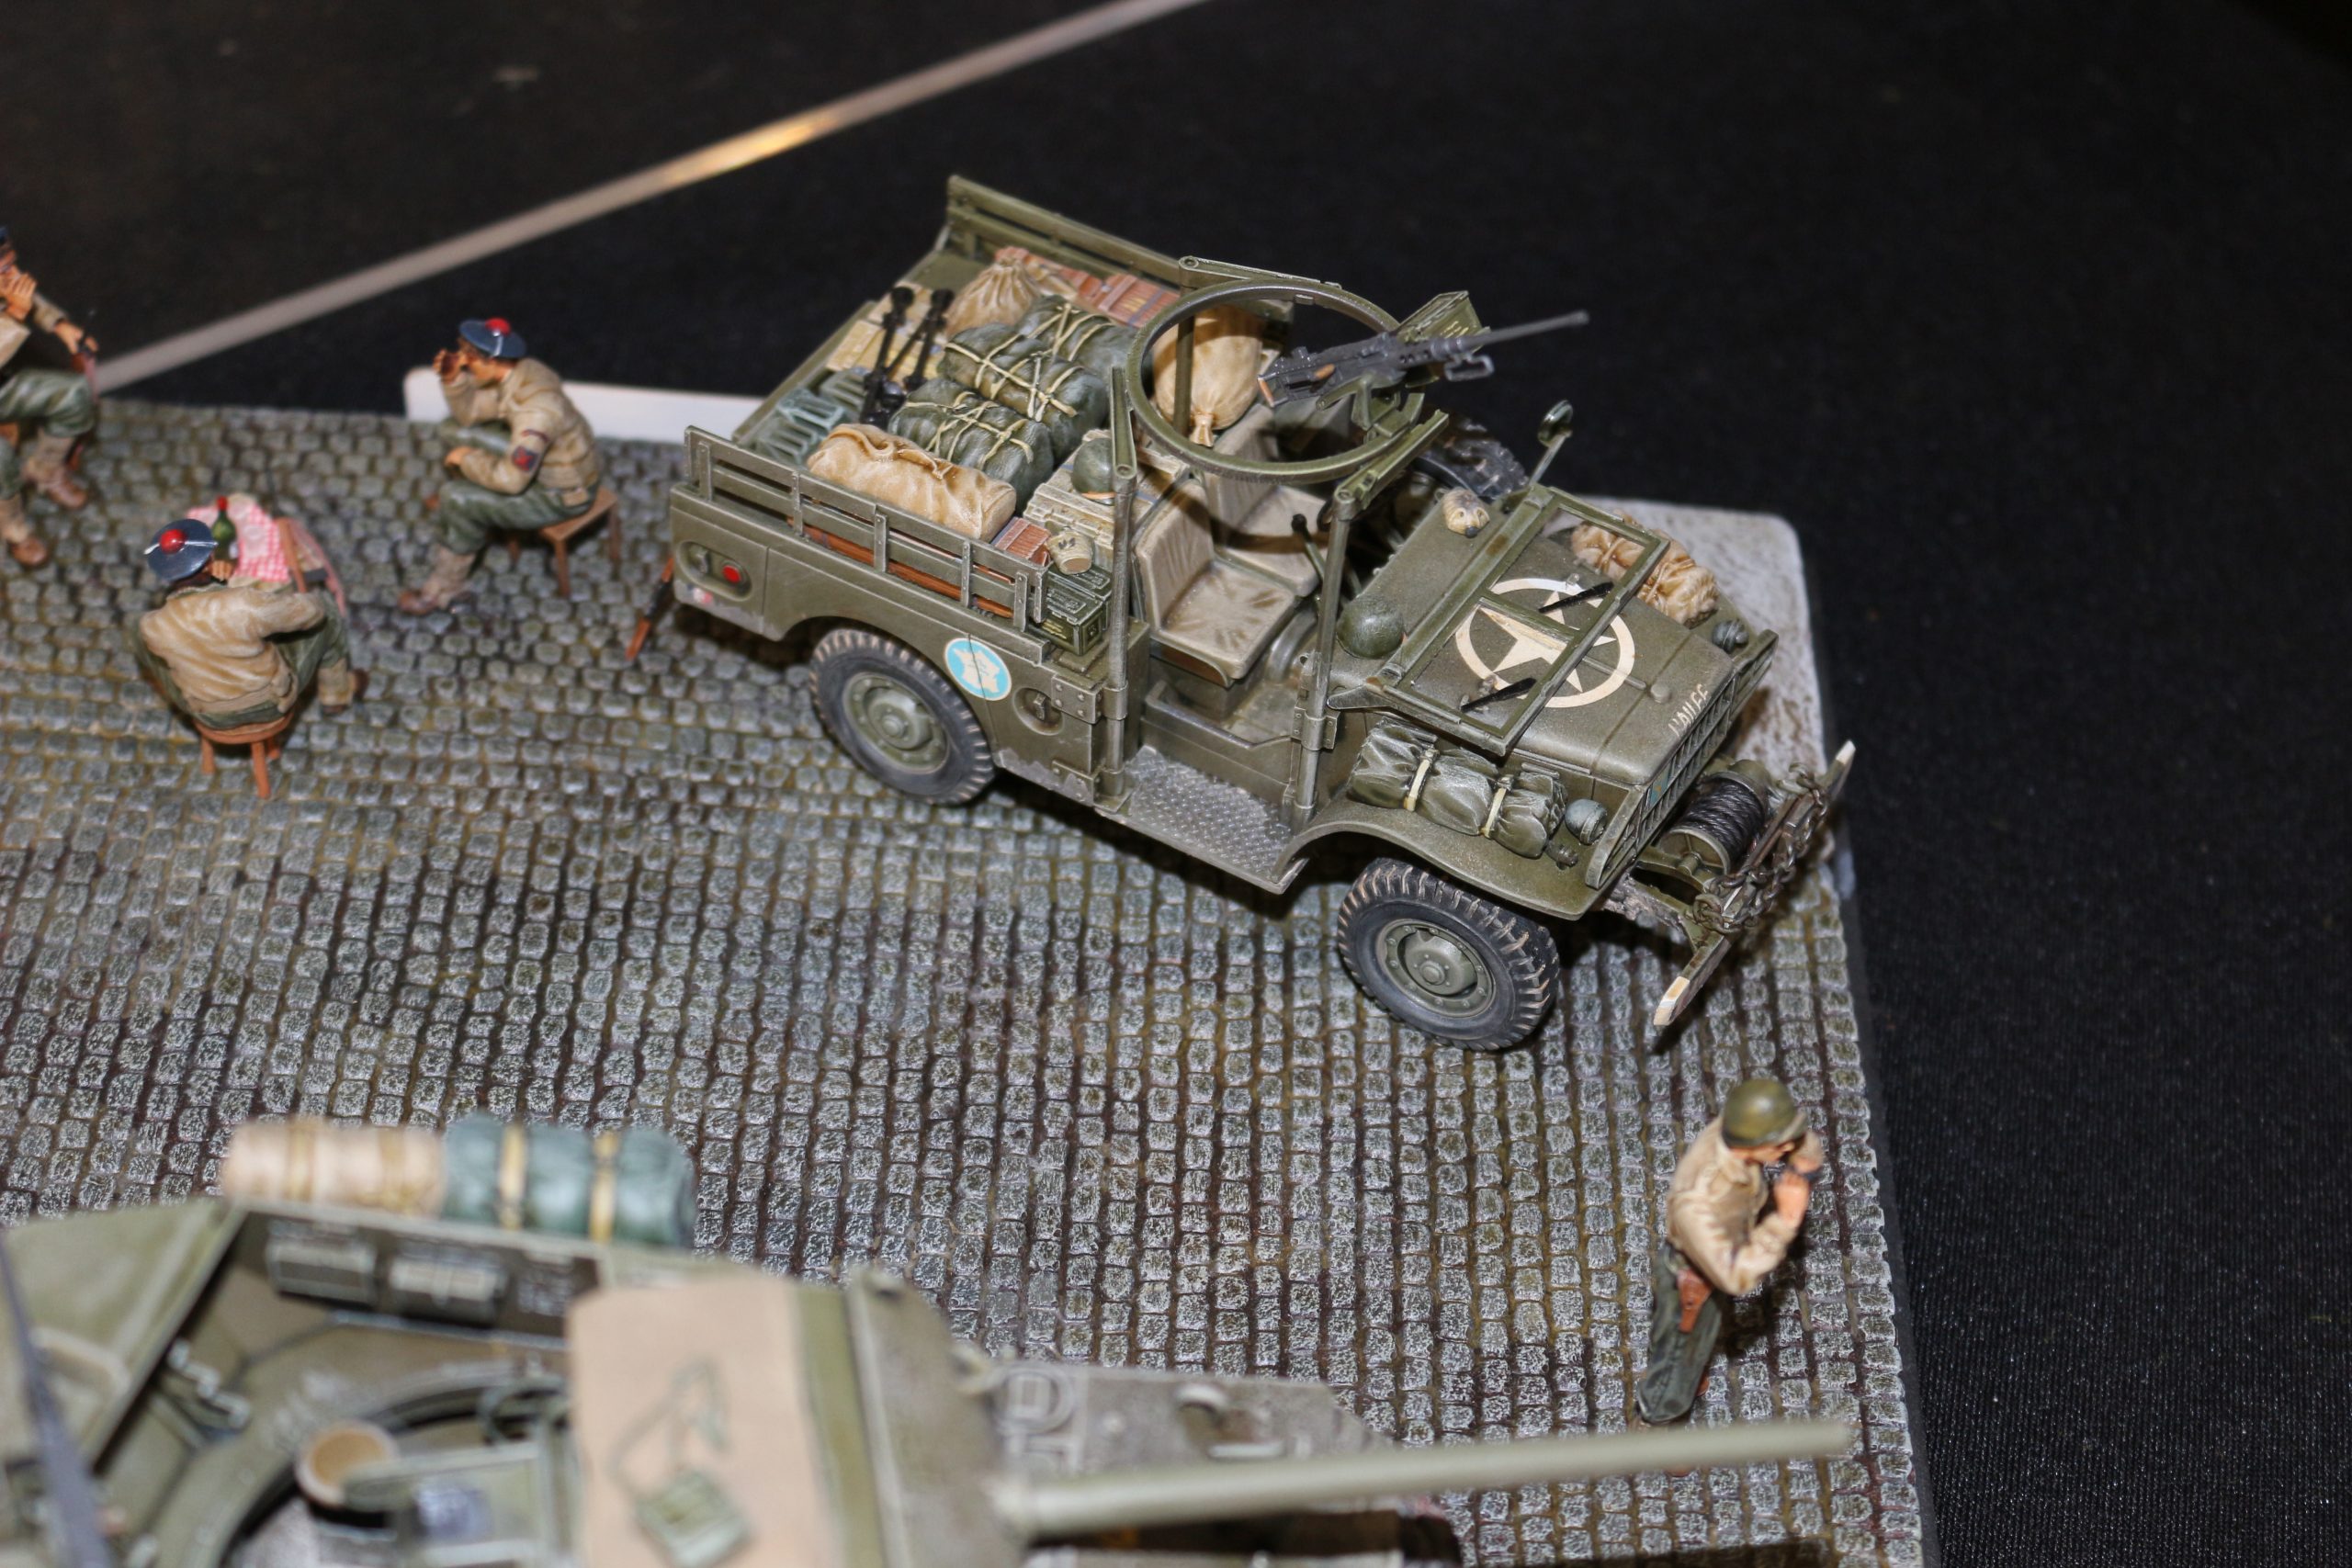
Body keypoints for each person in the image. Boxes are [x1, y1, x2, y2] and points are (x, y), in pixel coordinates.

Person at [1634, 1077, 1825, 1424]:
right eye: (1780, 1144)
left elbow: (1795, 1139)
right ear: (1754, 1143)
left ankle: (1691, 1370)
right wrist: (1784, 1221)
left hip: (1723, 1252)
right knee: (1677, 1356)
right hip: (1692, 1280)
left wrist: (1803, 1162)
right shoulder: (1695, 1202)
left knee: (1704, 1336)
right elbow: (1734, 1276)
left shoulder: (1740, 1128)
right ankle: (1657, 1417)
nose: (1787, 1148)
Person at [399, 316, 600, 613]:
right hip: (544, 464)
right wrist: (453, 380)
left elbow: (512, 481)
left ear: (491, 361)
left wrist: (467, 459)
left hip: (559, 494)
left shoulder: (534, 415)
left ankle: (445, 589)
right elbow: (469, 414)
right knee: (451, 429)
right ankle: (469, 505)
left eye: (468, 358)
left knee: (457, 498)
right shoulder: (521, 372)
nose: (463, 362)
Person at [133, 522, 363, 728]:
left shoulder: (151, 626)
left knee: (160, 657)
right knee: (327, 613)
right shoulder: (242, 604)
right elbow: (311, 612)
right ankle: (336, 697)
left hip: (209, 714)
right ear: (208, 563)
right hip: (267, 704)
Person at [0, 225, 100, 568]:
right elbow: (17, 304)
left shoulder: (5, 280)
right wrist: (14, 315)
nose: (13, 274)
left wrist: (59, 325)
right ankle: (14, 529)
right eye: (4, 269)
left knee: (72, 394)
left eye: (11, 263)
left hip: (4, 387)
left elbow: (28, 297)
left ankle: (45, 471)